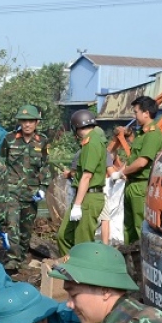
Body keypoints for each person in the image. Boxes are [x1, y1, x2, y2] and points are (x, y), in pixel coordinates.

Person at [0, 104, 52, 271]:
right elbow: (2, 162)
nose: (27, 124)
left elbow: (45, 166)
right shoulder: (9, 139)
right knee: (12, 225)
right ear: (20, 122)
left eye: (30, 121)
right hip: (12, 190)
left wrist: (43, 187)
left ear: (36, 123)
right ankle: (13, 260)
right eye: (24, 121)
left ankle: (21, 256)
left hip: (32, 192)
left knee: (26, 229)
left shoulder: (42, 141)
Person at [57, 109, 108, 255]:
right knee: (63, 236)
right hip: (83, 195)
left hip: (89, 197)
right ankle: (71, 268)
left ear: (76, 127)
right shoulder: (89, 142)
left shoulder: (92, 143)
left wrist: (78, 205)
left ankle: (84, 275)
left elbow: (86, 176)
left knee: (83, 243)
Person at [122, 97, 162, 244]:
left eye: (136, 112)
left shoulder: (153, 135)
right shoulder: (141, 134)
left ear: (146, 113)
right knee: (128, 227)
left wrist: (122, 172)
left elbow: (141, 162)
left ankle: (141, 259)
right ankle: (128, 259)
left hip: (141, 185)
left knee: (140, 225)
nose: (135, 116)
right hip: (131, 185)